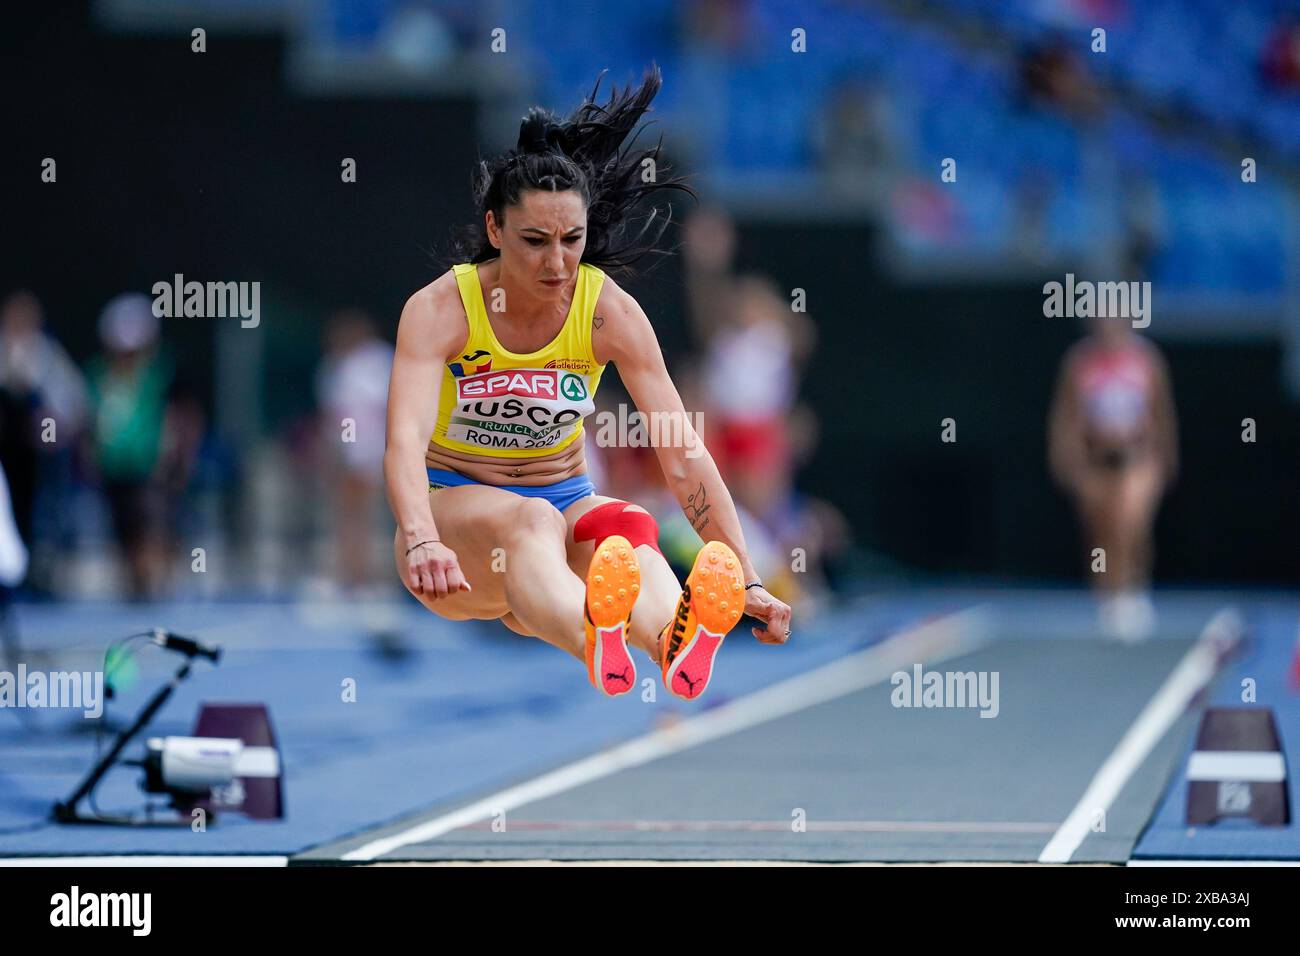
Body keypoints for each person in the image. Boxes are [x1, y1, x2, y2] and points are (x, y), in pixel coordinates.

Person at [384, 66, 792, 700]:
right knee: (529, 524)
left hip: (565, 499)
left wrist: (748, 577)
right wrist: (418, 537)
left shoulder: (609, 312)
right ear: (494, 230)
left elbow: (682, 453)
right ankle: (595, 635)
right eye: (534, 240)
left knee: (630, 528)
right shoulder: (442, 310)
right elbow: (404, 441)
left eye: (572, 240)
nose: (556, 262)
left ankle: (672, 644)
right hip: (458, 526)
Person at [1048, 313, 1178, 639]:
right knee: (1102, 530)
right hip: (1095, 458)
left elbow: (1161, 411)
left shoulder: (1146, 358)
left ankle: (1133, 587)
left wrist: (1166, 455)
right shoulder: (1079, 360)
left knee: (1131, 521)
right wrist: (1065, 456)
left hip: (1137, 457)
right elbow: (1066, 414)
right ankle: (1108, 591)